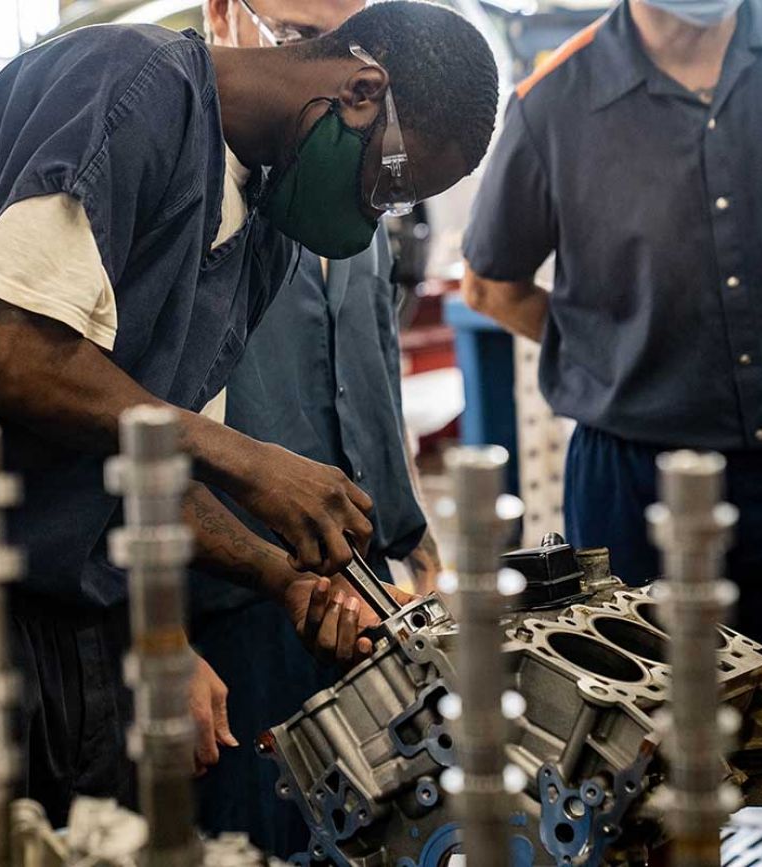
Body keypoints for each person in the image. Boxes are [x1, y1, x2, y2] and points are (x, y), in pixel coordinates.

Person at [0, 0, 499, 828]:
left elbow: (142, 453)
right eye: (388, 182)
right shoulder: (125, 87)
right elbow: (11, 359)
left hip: (78, 634)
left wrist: (278, 575)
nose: (374, 213)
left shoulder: (263, 233)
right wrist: (248, 458)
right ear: (359, 90)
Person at [461, 0, 762, 864]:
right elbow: (491, 285)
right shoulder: (555, 99)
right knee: (636, 770)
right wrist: (622, 359)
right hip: (637, 485)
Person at [186, 0, 464, 856]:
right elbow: (108, 422)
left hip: (361, 589)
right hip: (225, 606)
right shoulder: (174, 173)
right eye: (306, 41)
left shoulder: (358, 149)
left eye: (358, 54)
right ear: (224, 14)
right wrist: (153, 634)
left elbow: (371, 354)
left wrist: (411, 539)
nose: (340, 82)